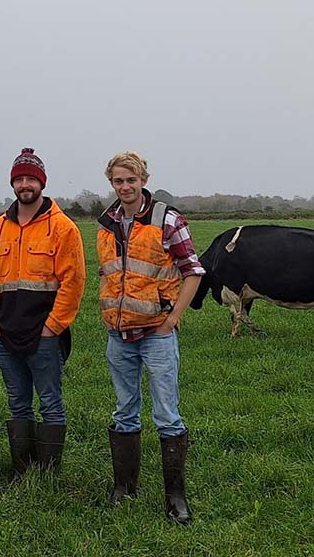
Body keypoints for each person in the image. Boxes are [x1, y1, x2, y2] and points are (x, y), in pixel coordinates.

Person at [96, 151, 204, 523]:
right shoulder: (106, 223)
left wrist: (173, 317)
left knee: (166, 413)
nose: (125, 187)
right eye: (118, 181)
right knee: (124, 409)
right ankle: (124, 488)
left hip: (156, 333)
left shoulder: (167, 219)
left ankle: (175, 497)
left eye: (131, 180)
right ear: (111, 183)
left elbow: (193, 271)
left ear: (143, 179)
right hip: (118, 333)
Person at [0, 147, 86, 477]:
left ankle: (49, 473)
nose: (25, 185)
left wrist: (53, 326)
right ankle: (21, 469)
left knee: (50, 402)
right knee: (17, 401)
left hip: (44, 334)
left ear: (42, 183)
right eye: (19, 179)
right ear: (13, 184)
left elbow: (74, 280)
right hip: (5, 332)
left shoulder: (63, 227)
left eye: (31, 179)